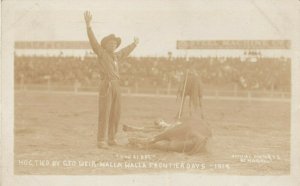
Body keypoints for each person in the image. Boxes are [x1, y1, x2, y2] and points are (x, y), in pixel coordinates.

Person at [84, 11, 139, 148]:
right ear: (105, 45)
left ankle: (111, 138)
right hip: (106, 85)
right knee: (105, 112)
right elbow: (93, 42)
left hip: (116, 86)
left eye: (115, 43)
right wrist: (89, 26)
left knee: (116, 113)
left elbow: (125, 51)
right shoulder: (101, 53)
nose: (113, 45)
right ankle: (101, 140)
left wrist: (134, 44)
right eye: (111, 43)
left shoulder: (116, 56)